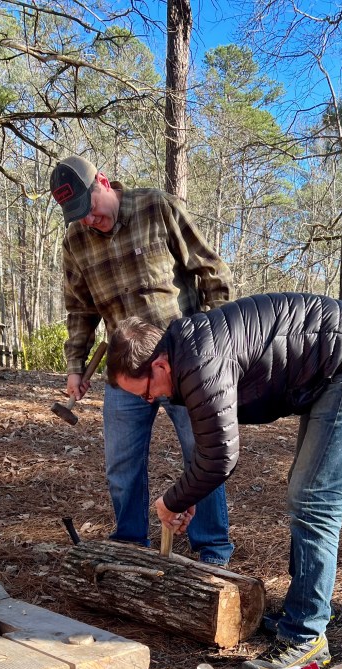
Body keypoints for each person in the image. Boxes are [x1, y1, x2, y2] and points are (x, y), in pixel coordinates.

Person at [105, 292, 342, 669]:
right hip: (335, 363)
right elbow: (211, 449)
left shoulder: (199, 363)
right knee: (307, 493)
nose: (149, 401)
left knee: (314, 500)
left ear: (159, 365)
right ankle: (302, 613)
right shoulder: (187, 352)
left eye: (146, 392)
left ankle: (306, 637)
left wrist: (171, 500)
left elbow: (221, 458)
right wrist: (190, 495)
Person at [49, 155, 234, 567]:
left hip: (184, 364)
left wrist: (215, 342)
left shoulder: (157, 207)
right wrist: (76, 365)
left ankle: (212, 550)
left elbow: (212, 272)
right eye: (78, 215)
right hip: (124, 373)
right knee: (121, 462)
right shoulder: (76, 241)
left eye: (90, 207)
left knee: (202, 453)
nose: (89, 220)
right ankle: (131, 544)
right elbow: (80, 309)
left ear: (103, 181)